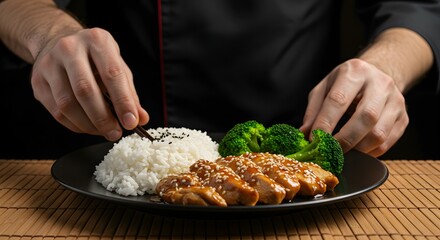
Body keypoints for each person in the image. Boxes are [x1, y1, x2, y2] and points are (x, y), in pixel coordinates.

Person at [0, 0, 439, 158]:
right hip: (113, 143)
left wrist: (386, 68)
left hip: (295, 136)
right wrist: (51, 35)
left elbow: (417, 7)